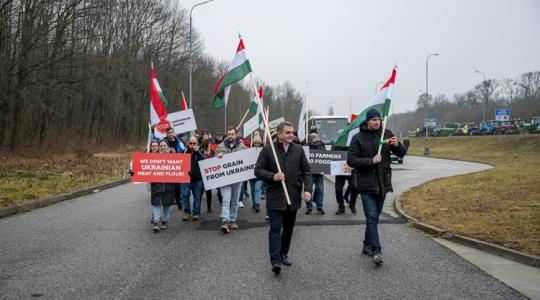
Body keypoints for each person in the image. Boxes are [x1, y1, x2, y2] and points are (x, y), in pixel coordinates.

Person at [347, 109, 407, 266]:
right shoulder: (358, 138)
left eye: (378, 119)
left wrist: (397, 144)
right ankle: (377, 251)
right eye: (373, 120)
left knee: (374, 219)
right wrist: (371, 161)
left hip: (383, 184)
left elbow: (401, 154)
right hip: (366, 185)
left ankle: (367, 245)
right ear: (367, 121)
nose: (377, 122)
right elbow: (351, 160)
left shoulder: (386, 134)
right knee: (372, 217)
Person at [255, 121, 313, 276]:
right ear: (279, 134)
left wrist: (307, 189)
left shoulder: (299, 150)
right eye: (288, 133)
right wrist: (273, 176)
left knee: (288, 229)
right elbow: (258, 170)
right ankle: (275, 260)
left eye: (292, 133)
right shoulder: (268, 150)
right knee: (275, 229)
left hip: (293, 195)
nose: (291, 135)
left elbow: (307, 171)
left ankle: (283, 253)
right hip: (275, 196)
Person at [215, 127, 247, 233]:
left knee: (235, 200)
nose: (230, 136)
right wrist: (217, 157)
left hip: (237, 179)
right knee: (226, 200)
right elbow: (213, 162)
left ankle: (233, 220)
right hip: (224, 179)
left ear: (236, 135)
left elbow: (246, 161)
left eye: (232, 134)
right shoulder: (220, 146)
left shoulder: (242, 147)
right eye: (228, 134)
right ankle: (225, 221)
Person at [150, 140, 177, 232]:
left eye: (164, 145)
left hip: (169, 185)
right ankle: (156, 222)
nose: (162, 147)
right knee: (156, 203)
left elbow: (179, 169)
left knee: (166, 204)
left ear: (168, 147)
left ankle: (164, 221)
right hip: (156, 185)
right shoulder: (152, 158)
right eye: (160, 146)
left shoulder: (174, 158)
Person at [181, 136, 205, 221]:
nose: (192, 145)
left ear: (197, 144)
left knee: (197, 197)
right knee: (185, 196)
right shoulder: (184, 151)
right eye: (190, 143)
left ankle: (196, 213)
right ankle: (187, 213)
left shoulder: (200, 151)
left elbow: (204, 161)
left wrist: (197, 152)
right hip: (186, 178)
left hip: (197, 179)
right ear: (188, 143)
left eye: (194, 143)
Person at [306, 132, 325, 215]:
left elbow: (325, 157)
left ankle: (319, 206)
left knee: (320, 190)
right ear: (310, 138)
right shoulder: (306, 146)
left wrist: (325, 169)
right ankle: (309, 207)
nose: (315, 138)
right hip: (309, 173)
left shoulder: (321, 145)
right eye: (313, 137)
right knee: (308, 190)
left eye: (316, 136)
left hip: (319, 173)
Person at [249, 133, 264, 213]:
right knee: (252, 191)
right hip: (251, 175)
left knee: (257, 188)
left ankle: (257, 204)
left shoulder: (263, 151)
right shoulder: (249, 151)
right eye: (255, 143)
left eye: (258, 143)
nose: (256, 145)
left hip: (259, 175)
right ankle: (254, 203)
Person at [200, 139, 215, 213]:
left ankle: (209, 207)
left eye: (210, 143)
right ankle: (198, 206)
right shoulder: (201, 153)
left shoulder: (213, 152)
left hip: (210, 174)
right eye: (209, 143)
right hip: (202, 174)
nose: (210, 144)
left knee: (209, 191)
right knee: (200, 191)